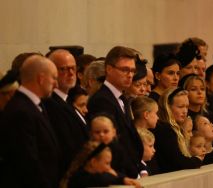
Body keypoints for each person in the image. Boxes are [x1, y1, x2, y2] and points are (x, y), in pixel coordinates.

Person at [0, 55, 60, 188]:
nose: (56, 84)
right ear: (41, 78)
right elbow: (27, 162)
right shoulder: (21, 111)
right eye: (54, 78)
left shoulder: (34, 105)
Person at [87, 46, 143, 178]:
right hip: (116, 173)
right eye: (125, 70)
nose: (130, 75)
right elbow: (111, 143)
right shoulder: (102, 100)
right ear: (109, 69)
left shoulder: (122, 98)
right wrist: (131, 173)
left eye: (132, 71)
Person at [44, 49, 89, 177]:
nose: (70, 73)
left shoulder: (67, 101)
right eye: (63, 69)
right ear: (51, 72)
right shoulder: (50, 104)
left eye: (73, 68)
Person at [152, 88, 202, 173]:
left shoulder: (173, 128)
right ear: (167, 107)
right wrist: (198, 159)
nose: (185, 111)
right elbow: (179, 162)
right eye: (180, 107)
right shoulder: (164, 129)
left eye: (187, 106)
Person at [60, 141, 141, 188]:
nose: (109, 167)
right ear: (93, 162)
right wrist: (121, 179)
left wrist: (123, 178)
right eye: (107, 163)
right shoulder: (80, 177)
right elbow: (101, 179)